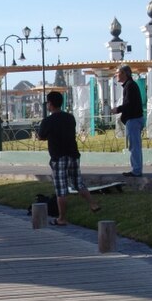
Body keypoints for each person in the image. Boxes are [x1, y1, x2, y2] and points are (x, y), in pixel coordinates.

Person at [38, 91, 100, 226]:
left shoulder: (48, 121)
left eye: (47, 103)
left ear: (50, 104)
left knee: (61, 189)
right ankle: (93, 203)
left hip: (58, 157)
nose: (47, 105)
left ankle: (62, 218)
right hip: (73, 154)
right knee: (78, 183)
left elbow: (41, 136)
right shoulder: (70, 117)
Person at [111, 64, 144, 177]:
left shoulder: (130, 86)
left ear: (124, 74)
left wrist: (118, 109)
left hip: (134, 119)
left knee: (134, 146)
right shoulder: (129, 85)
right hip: (134, 119)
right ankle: (136, 169)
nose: (116, 75)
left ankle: (136, 170)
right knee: (134, 145)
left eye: (118, 73)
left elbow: (129, 104)